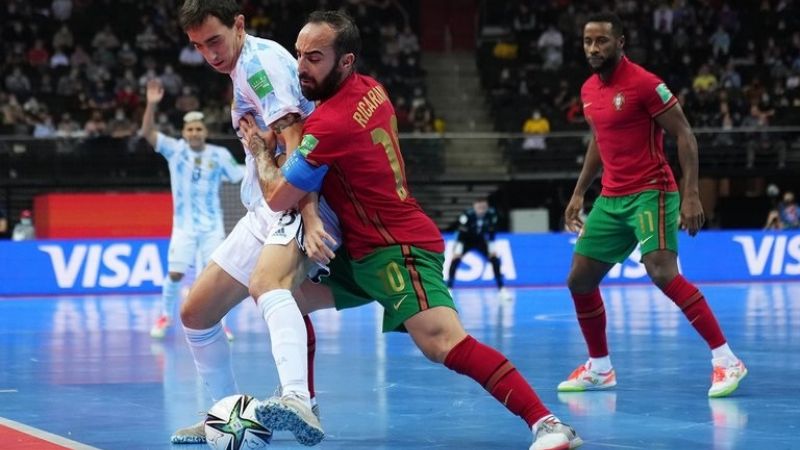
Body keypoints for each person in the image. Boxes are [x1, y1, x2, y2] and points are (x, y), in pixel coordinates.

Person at [240, 11, 582, 450]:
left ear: (344, 61)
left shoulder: (330, 123)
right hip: (359, 250)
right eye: (300, 55)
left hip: (396, 248)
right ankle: (302, 401)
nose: (301, 67)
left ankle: (548, 423)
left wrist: (260, 152)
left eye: (315, 58)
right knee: (285, 297)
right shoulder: (372, 90)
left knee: (442, 342)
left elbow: (278, 196)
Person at [170, 1, 340, 445]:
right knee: (195, 313)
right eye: (198, 46)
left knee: (270, 286)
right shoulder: (242, 66)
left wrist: (307, 214)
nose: (210, 53)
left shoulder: (259, 66)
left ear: (238, 26)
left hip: (296, 202)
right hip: (265, 208)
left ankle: (300, 400)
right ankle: (225, 416)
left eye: (215, 40)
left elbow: (298, 142)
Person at [558, 12, 746, 399]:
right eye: (588, 42)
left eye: (602, 41)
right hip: (611, 197)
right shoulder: (589, 90)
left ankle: (726, 360)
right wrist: (580, 192)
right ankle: (599, 368)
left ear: (620, 42)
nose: (593, 48)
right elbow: (600, 141)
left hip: (652, 191)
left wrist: (690, 192)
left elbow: (685, 135)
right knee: (579, 280)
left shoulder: (645, 84)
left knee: (661, 272)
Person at [140, 79, 243, 341]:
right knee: (175, 273)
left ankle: (220, 323)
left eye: (199, 129)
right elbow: (148, 133)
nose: (195, 133)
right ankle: (165, 316)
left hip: (212, 227)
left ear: (204, 131)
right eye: (190, 129)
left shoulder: (219, 155)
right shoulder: (175, 151)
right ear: (184, 132)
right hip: (184, 227)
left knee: (215, 277)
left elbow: (239, 173)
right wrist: (151, 105)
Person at [446, 198, 511, 300]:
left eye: (484, 207)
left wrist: (492, 248)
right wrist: (457, 249)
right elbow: (460, 232)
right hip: (466, 240)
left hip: (481, 240)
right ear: (474, 206)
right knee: (455, 260)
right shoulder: (467, 215)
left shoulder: (491, 215)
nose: (481, 210)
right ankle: (449, 288)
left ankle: (501, 289)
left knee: (495, 260)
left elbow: (492, 232)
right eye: (479, 207)